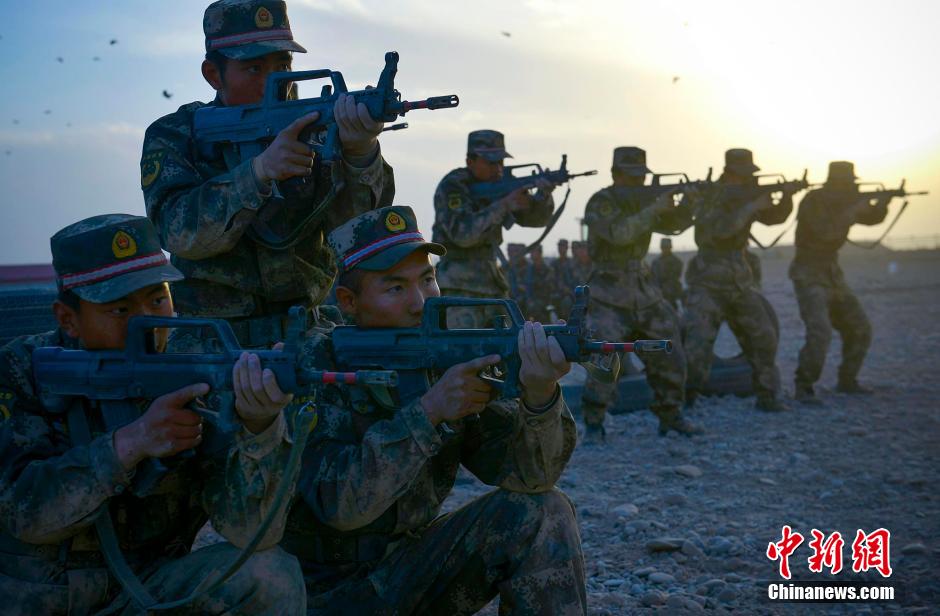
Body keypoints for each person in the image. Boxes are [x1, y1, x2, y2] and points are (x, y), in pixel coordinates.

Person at [280, 206, 585, 614]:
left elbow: (531, 478)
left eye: (428, 279)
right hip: (323, 595)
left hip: (410, 573)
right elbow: (341, 506)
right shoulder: (311, 369)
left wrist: (540, 394)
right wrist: (428, 413)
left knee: (544, 512)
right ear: (348, 301)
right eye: (396, 288)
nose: (420, 302)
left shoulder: (441, 357)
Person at [0, 214, 304, 614]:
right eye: (120, 309)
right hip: (44, 603)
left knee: (269, 574)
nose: (147, 322)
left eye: (158, 299)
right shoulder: (22, 370)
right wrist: (130, 444)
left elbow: (250, 532)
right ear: (67, 319)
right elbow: (26, 515)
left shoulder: (195, 368)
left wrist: (260, 428)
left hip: (151, 594)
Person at [142, 0, 394, 350]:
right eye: (253, 68)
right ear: (213, 75)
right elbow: (177, 233)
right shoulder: (176, 135)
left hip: (305, 334)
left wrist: (360, 154)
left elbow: (359, 235)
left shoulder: (315, 128)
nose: (274, 81)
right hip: (211, 343)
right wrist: (258, 174)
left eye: (283, 64)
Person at [579, 147, 699, 441]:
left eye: (642, 177)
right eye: (632, 177)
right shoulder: (602, 201)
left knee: (670, 349)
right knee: (604, 358)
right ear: (616, 175)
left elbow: (674, 226)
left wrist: (688, 205)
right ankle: (594, 423)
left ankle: (670, 415)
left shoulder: (643, 201)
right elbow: (620, 233)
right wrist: (654, 208)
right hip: (607, 291)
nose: (640, 183)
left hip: (644, 290)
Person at [682, 149, 796, 412]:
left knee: (763, 337)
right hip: (708, 280)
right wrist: (752, 206)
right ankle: (685, 401)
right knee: (698, 345)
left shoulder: (746, 196)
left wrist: (786, 198)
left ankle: (767, 396)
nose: (750, 180)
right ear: (731, 173)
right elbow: (719, 230)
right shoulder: (710, 195)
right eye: (745, 175)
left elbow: (773, 217)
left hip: (739, 280)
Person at [432, 130, 557, 328]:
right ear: (470, 161)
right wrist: (505, 205)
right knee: (463, 354)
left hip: (493, 285)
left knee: (505, 352)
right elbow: (463, 234)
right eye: (491, 162)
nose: (498, 168)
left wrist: (543, 196)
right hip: (458, 287)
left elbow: (535, 220)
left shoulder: (500, 186)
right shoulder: (453, 186)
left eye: (501, 162)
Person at [791, 161, 891, 404]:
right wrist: (851, 211)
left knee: (860, 328)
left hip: (832, 272)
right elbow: (825, 232)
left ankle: (847, 380)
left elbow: (872, 219)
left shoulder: (843, 202)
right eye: (848, 184)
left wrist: (882, 204)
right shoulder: (814, 201)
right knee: (820, 333)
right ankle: (804, 387)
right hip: (809, 272)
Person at [651, 237, 684, 311]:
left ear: (670, 247)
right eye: (663, 247)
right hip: (658, 293)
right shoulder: (656, 262)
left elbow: (676, 276)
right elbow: (653, 276)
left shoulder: (676, 262)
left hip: (671, 293)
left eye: (667, 247)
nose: (665, 249)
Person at [526, 244, 556, 323]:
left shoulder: (547, 269)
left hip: (544, 299)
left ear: (540, 253)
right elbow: (528, 286)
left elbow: (548, 288)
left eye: (534, 252)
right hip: (531, 299)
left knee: (536, 308)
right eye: (531, 252)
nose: (531, 254)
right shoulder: (530, 269)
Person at [506, 242, 531, 316]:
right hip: (511, 296)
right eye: (509, 251)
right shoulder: (509, 266)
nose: (511, 253)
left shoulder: (529, 267)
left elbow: (530, 285)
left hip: (526, 297)